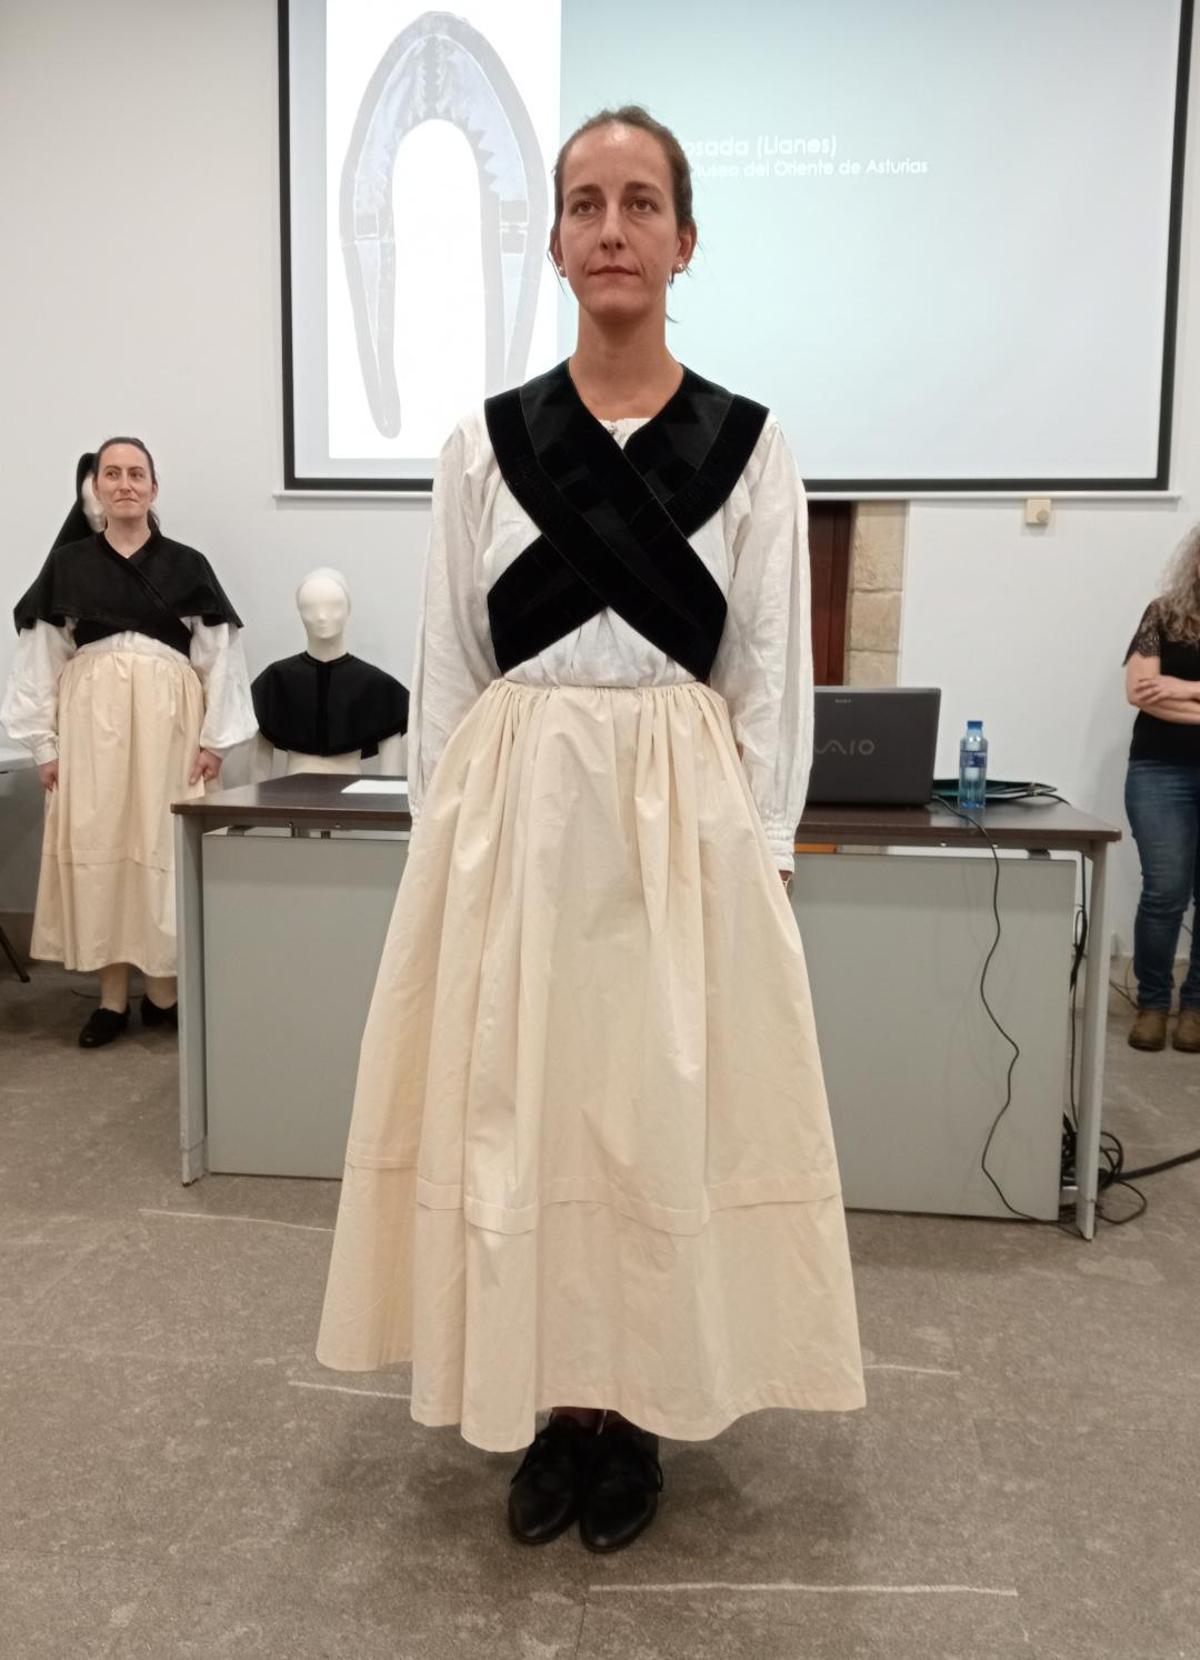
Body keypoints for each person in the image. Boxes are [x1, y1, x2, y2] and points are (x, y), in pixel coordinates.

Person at [317, 105, 864, 1553]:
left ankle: (633, 1415)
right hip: (520, 828)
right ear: (554, 243)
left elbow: (768, 676)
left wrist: (756, 858)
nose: (611, 229)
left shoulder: (749, 447)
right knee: (530, 1113)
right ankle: (552, 1405)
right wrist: (445, 853)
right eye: (583, 204)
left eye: (639, 204)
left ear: (685, 243)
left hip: (678, 836)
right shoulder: (485, 445)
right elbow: (448, 665)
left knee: (650, 1121)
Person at [1, 438, 255, 1046]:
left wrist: (215, 742)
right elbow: (40, 657)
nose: (124, 484)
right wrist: (44, 745)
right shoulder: (68, 566)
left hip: (170, 728)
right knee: (104, 846)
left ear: (153, 487)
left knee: (159, 842)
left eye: (136, 474)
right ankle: (112, 999)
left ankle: (163, 992)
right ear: (96, 489)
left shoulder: (188, 565)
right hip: (92, 730)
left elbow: (219, 656)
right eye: (111, 474)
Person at [1123, 523, 1200, 1052]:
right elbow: (1139, 693)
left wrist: (1183, 686)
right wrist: (1168, 695)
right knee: (1164, 892)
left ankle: (1195, 1007)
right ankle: (1152, 1002)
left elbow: (1162, 693)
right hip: (1159, 770)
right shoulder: (1164, 615)